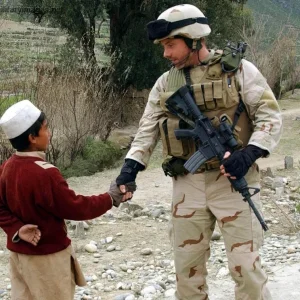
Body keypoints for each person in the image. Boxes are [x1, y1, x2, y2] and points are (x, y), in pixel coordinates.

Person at [115, 4, 282, 300]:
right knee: (187, 275)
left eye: (170, 44)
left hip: (233, 182)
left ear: (194, 39)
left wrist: (250, 153)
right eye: (163, 46)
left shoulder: (239, 70)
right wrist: (129, 171)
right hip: (187, 184)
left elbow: (270, 117)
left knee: (247, 271)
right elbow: (147, 130)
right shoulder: (166, 83)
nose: (166, 53)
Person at [0, 100, 134, 300]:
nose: (50, 133)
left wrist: (17, 229)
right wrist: (110, 198)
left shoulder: (7, 168)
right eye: (46, 128)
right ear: (32, 137)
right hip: (47, 259)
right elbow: (76, 207)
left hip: (19, 257)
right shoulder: (46, 174)